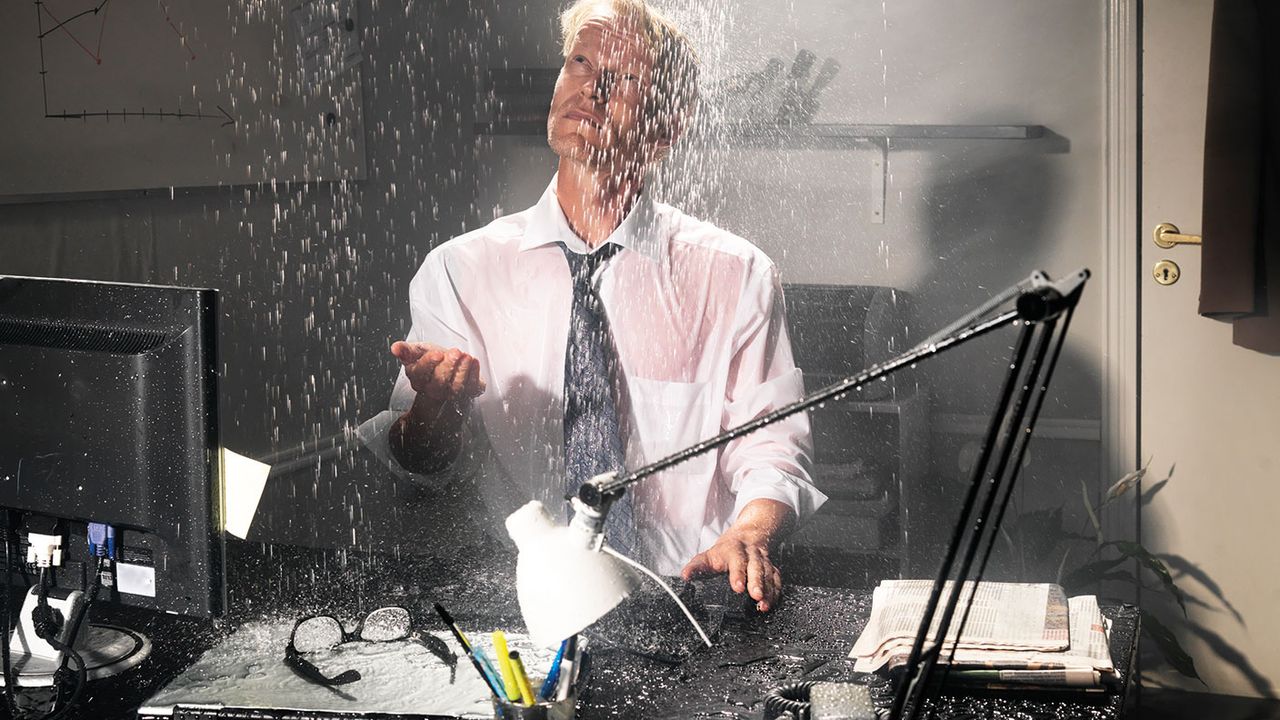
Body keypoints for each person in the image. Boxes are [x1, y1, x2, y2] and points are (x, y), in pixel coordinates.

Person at [384, 0, 825, 612]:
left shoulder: (736, 273)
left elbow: (772, 446)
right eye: (580, 64)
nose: (590, 88)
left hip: (684, 601)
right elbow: (422, 463)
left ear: (665, 131)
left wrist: (750, 531)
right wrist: (436, 408)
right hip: (518, 605)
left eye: (622, 80)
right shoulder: (460, 270)